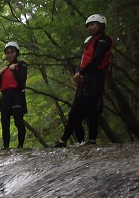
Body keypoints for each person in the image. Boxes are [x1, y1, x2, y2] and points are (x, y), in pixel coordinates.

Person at [54, 14, 113, 147]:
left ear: (101, 25)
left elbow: (97, 59)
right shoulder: (90, 43)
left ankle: (64, 141)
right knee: (85, 111)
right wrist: (78, 73)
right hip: (86, 79)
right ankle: (88, 140)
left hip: (94, 79)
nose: (90, 27)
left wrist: (81, 73)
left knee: (80, 111)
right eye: (88, 26)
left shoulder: (103, 40)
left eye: (93, 24)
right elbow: (82, 63)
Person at [0, 41, 28, 149]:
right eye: (7, 53)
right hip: (5, 97)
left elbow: (21, 78)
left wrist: (14, 70)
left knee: (18, 121)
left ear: (16, 53)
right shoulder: (4, 69)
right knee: (5, 123)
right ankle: (6, 147)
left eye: (11, 52)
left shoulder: (22, 64)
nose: (9, 54)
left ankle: (20, 145)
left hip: (17, 95)